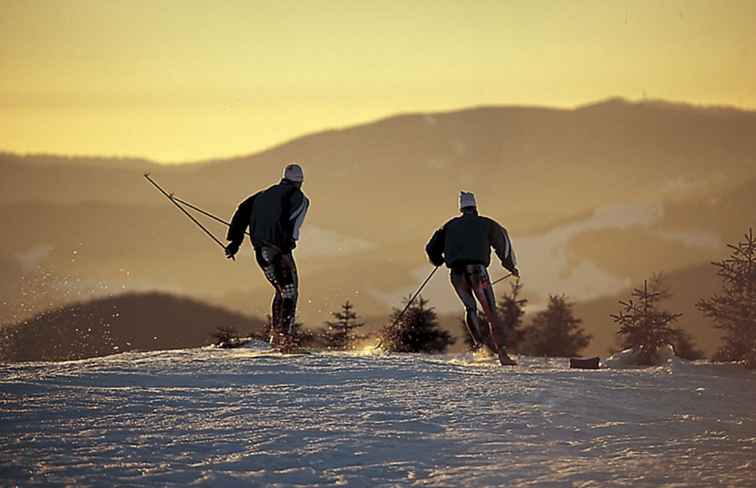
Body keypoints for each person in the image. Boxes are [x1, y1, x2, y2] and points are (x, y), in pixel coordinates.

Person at [425, 191, 519, 366]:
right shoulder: (487, 224)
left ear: (461, 208)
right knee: (490, 311)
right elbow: (503, 244)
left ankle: (480, 347)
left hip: (456, 273)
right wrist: (511, 267)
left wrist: (439, 259)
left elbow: (431, 248)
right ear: (475, 208)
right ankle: (502, 355)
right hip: (478, 271)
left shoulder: (449, 225)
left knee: (470, 308)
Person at [225, 163, 310, 349]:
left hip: (261, 253)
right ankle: (285, 339)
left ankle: (276, 336)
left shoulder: (261, 196)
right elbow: (293, 224)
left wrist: (235, 242)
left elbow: (241, 213)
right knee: (290, 292)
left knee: (280, 290)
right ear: (300, 182)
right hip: (279, 252)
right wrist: (288, 242)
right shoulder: (299, 198)